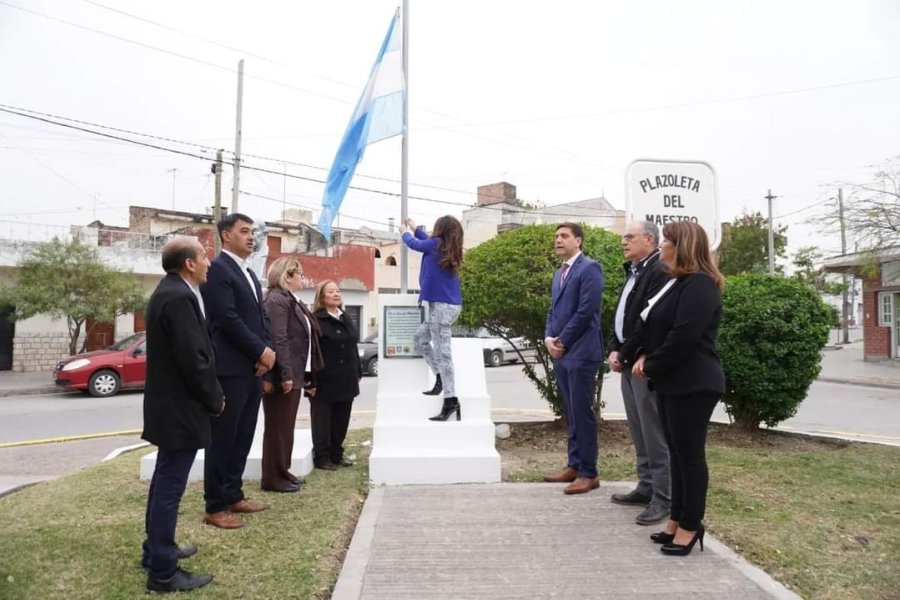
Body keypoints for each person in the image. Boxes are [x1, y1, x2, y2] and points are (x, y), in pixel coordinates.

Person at [623, 221, 725, 556]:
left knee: (690, 457)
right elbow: (651, 326)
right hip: (671, 382)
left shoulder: (701, 285)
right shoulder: (678, 283)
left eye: (666, 241)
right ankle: (677, 520)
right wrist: (636, 352)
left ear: (681, 247)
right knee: (679, 456)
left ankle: (691, 525)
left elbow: (683, 337)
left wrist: (649, 363)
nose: (662, 246)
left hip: (694, 384)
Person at [141, 237, 224, 593]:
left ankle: (155, 551)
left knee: (163, 481)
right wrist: (215, 398)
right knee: (170, 488)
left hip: (170, 407)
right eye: (205, 256)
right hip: (180, 409)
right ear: (189, 263)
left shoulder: (171, 291)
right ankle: (163, 572)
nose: (209, 262)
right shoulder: (178, 297)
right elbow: (194, 359)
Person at [200, 213, 275, 529]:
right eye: (244, 232)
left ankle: (234, 494)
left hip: (252, 370)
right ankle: (215, 505)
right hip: (230, 369)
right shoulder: (218, 270)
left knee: (243, 435)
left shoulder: (249, 273)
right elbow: (227, 318)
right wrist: (259, 350)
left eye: (252, 232)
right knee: (223, 438)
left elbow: (260, 318)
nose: (251, 237)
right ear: (225, 235)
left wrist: (266, 353)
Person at [606, 221, 672, 525]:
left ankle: (663, 498)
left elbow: (649, 321)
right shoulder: (633, 270)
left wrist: (628, 351)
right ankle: (646, 487)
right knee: (639, 430)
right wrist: (613, 348)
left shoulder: (658, 270)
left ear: (649, 239)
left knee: (654, 432)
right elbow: (621, 315)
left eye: (629, 237)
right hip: (627, 361)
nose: (624, 242)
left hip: (642, 365)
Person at [542, 222, 605, 495]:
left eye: (564, 236)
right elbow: (553, 312)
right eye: (556, 236)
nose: (558, 240)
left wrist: (562, 341)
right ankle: (575, 464)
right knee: (571, 412)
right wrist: (548, 338)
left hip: (581, 353)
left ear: (578, 241)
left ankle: (589, 472)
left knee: (582, 413)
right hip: (561, 353)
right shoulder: (559, 273)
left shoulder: (590, 268)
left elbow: (586, 310)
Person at [260, 257, 322, 492]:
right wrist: (286, 373)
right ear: (287, 276)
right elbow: (280, 339)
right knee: (278, 427)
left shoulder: (291, 300)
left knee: (286, 427)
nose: (303, 278)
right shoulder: (277, 300)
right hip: (281, 375)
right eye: (300, 274)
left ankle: (283, 471)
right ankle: (273, 478)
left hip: (295, 372)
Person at [401, 215, 464, 422]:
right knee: (419, 339)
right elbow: (424, 240)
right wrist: (414, 227)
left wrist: (405, 233)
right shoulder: (443, 246)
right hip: (445, 305)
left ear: (441, 229)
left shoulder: (436, 245)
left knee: (444, 354)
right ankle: (439, 378)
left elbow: (415, 244)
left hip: (442, 306)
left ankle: (451, 399)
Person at [308, 280, 362, 469]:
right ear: (322, 297)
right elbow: (311, 351)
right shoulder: (315, 319)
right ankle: (322, 457)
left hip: (347, 378)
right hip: (324, 379)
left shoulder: (345, 317)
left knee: (341, 420)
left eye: (337, 291)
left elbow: (352, 345)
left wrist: (358, 371)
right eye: (331, 291)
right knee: (322, 421)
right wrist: (310, 380)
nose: (336, 294)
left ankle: (336, 454)